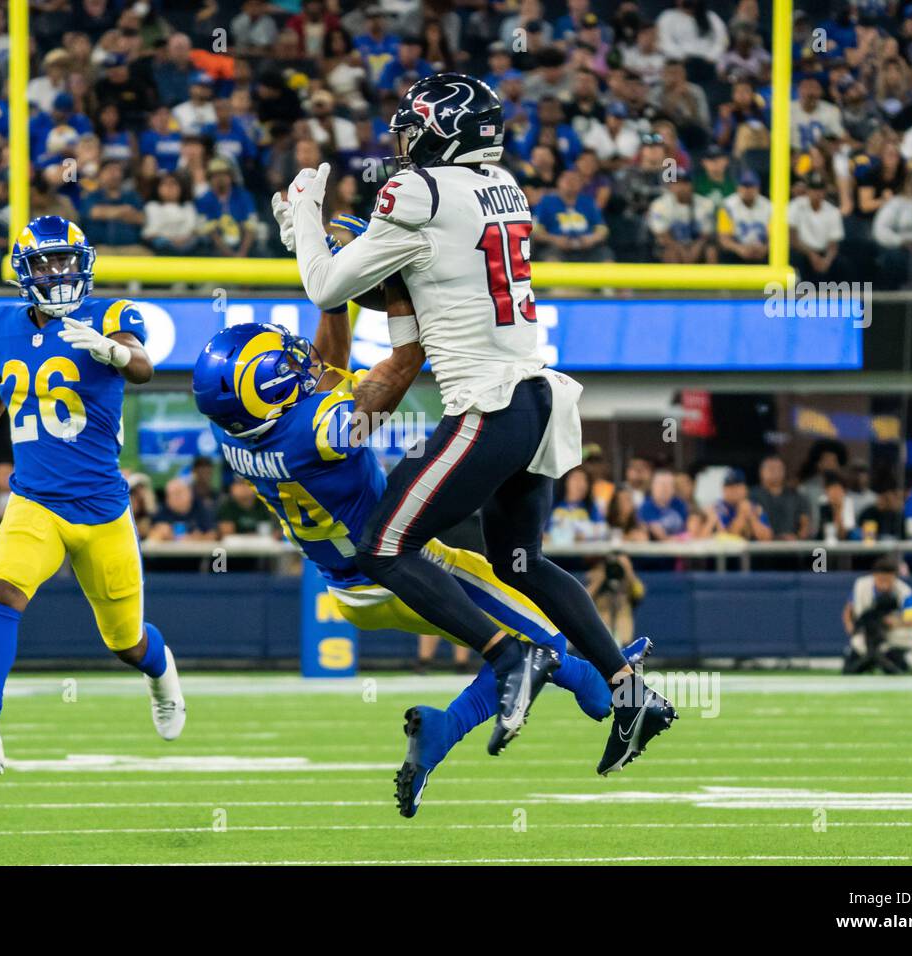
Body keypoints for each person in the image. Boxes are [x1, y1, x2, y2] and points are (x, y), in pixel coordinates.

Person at [283, 71, 675, 773]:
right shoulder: (506, 188)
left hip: (487, 406)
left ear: (443, 129)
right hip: (538, 399)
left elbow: (326, 287)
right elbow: (430, 283)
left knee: (383, 546)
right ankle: (628, 691)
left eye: (414, 126)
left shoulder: (418, 191)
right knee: (519, 561)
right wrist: (375, 274)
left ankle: (511, 655)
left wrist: (307, 226)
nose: (403, 141)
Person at [193, 308, 651, 818]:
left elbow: (330, 367)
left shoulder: (233, 435)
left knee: (534, 643)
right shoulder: (317, 431)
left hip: (349, 592)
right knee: (540, 641)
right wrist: (411, 309)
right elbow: (402, 365)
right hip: (401, 569)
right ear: (266, 389)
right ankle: (471, 723)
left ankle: (598, 684)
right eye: (283, 364)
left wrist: (332, 297)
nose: (301, 362)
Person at [0, 215, 185, 778]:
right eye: (46, 263)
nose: (60, 272)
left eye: (67, 260)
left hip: (102, 509)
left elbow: (141, 366)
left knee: (126, 642)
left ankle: (162, 674)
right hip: (35, 501)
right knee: (2, 595)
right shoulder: (2, 325)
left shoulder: (112, 315)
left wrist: (114, 353)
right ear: (25, 272)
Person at [842, 555, 912, 675]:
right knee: (851, 665)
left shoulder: (905, 592)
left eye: (889, 580)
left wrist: (894, 622)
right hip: (868, 635)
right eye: (881, 580)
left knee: (898, 664)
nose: (885, 585)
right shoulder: (861, 586)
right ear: (874, 576)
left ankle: (908, 659)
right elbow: (848, 609)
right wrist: (849, 625)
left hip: (893, 637)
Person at [750, 454, 809, 540]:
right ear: (761, 472)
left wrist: (798, 538)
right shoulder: (752, 496)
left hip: (792, 547)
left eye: (779, 469)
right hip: (762, 548)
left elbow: (805, 523)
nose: (775, 472)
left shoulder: (796, 496)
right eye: (771, 469)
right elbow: (750, 525)